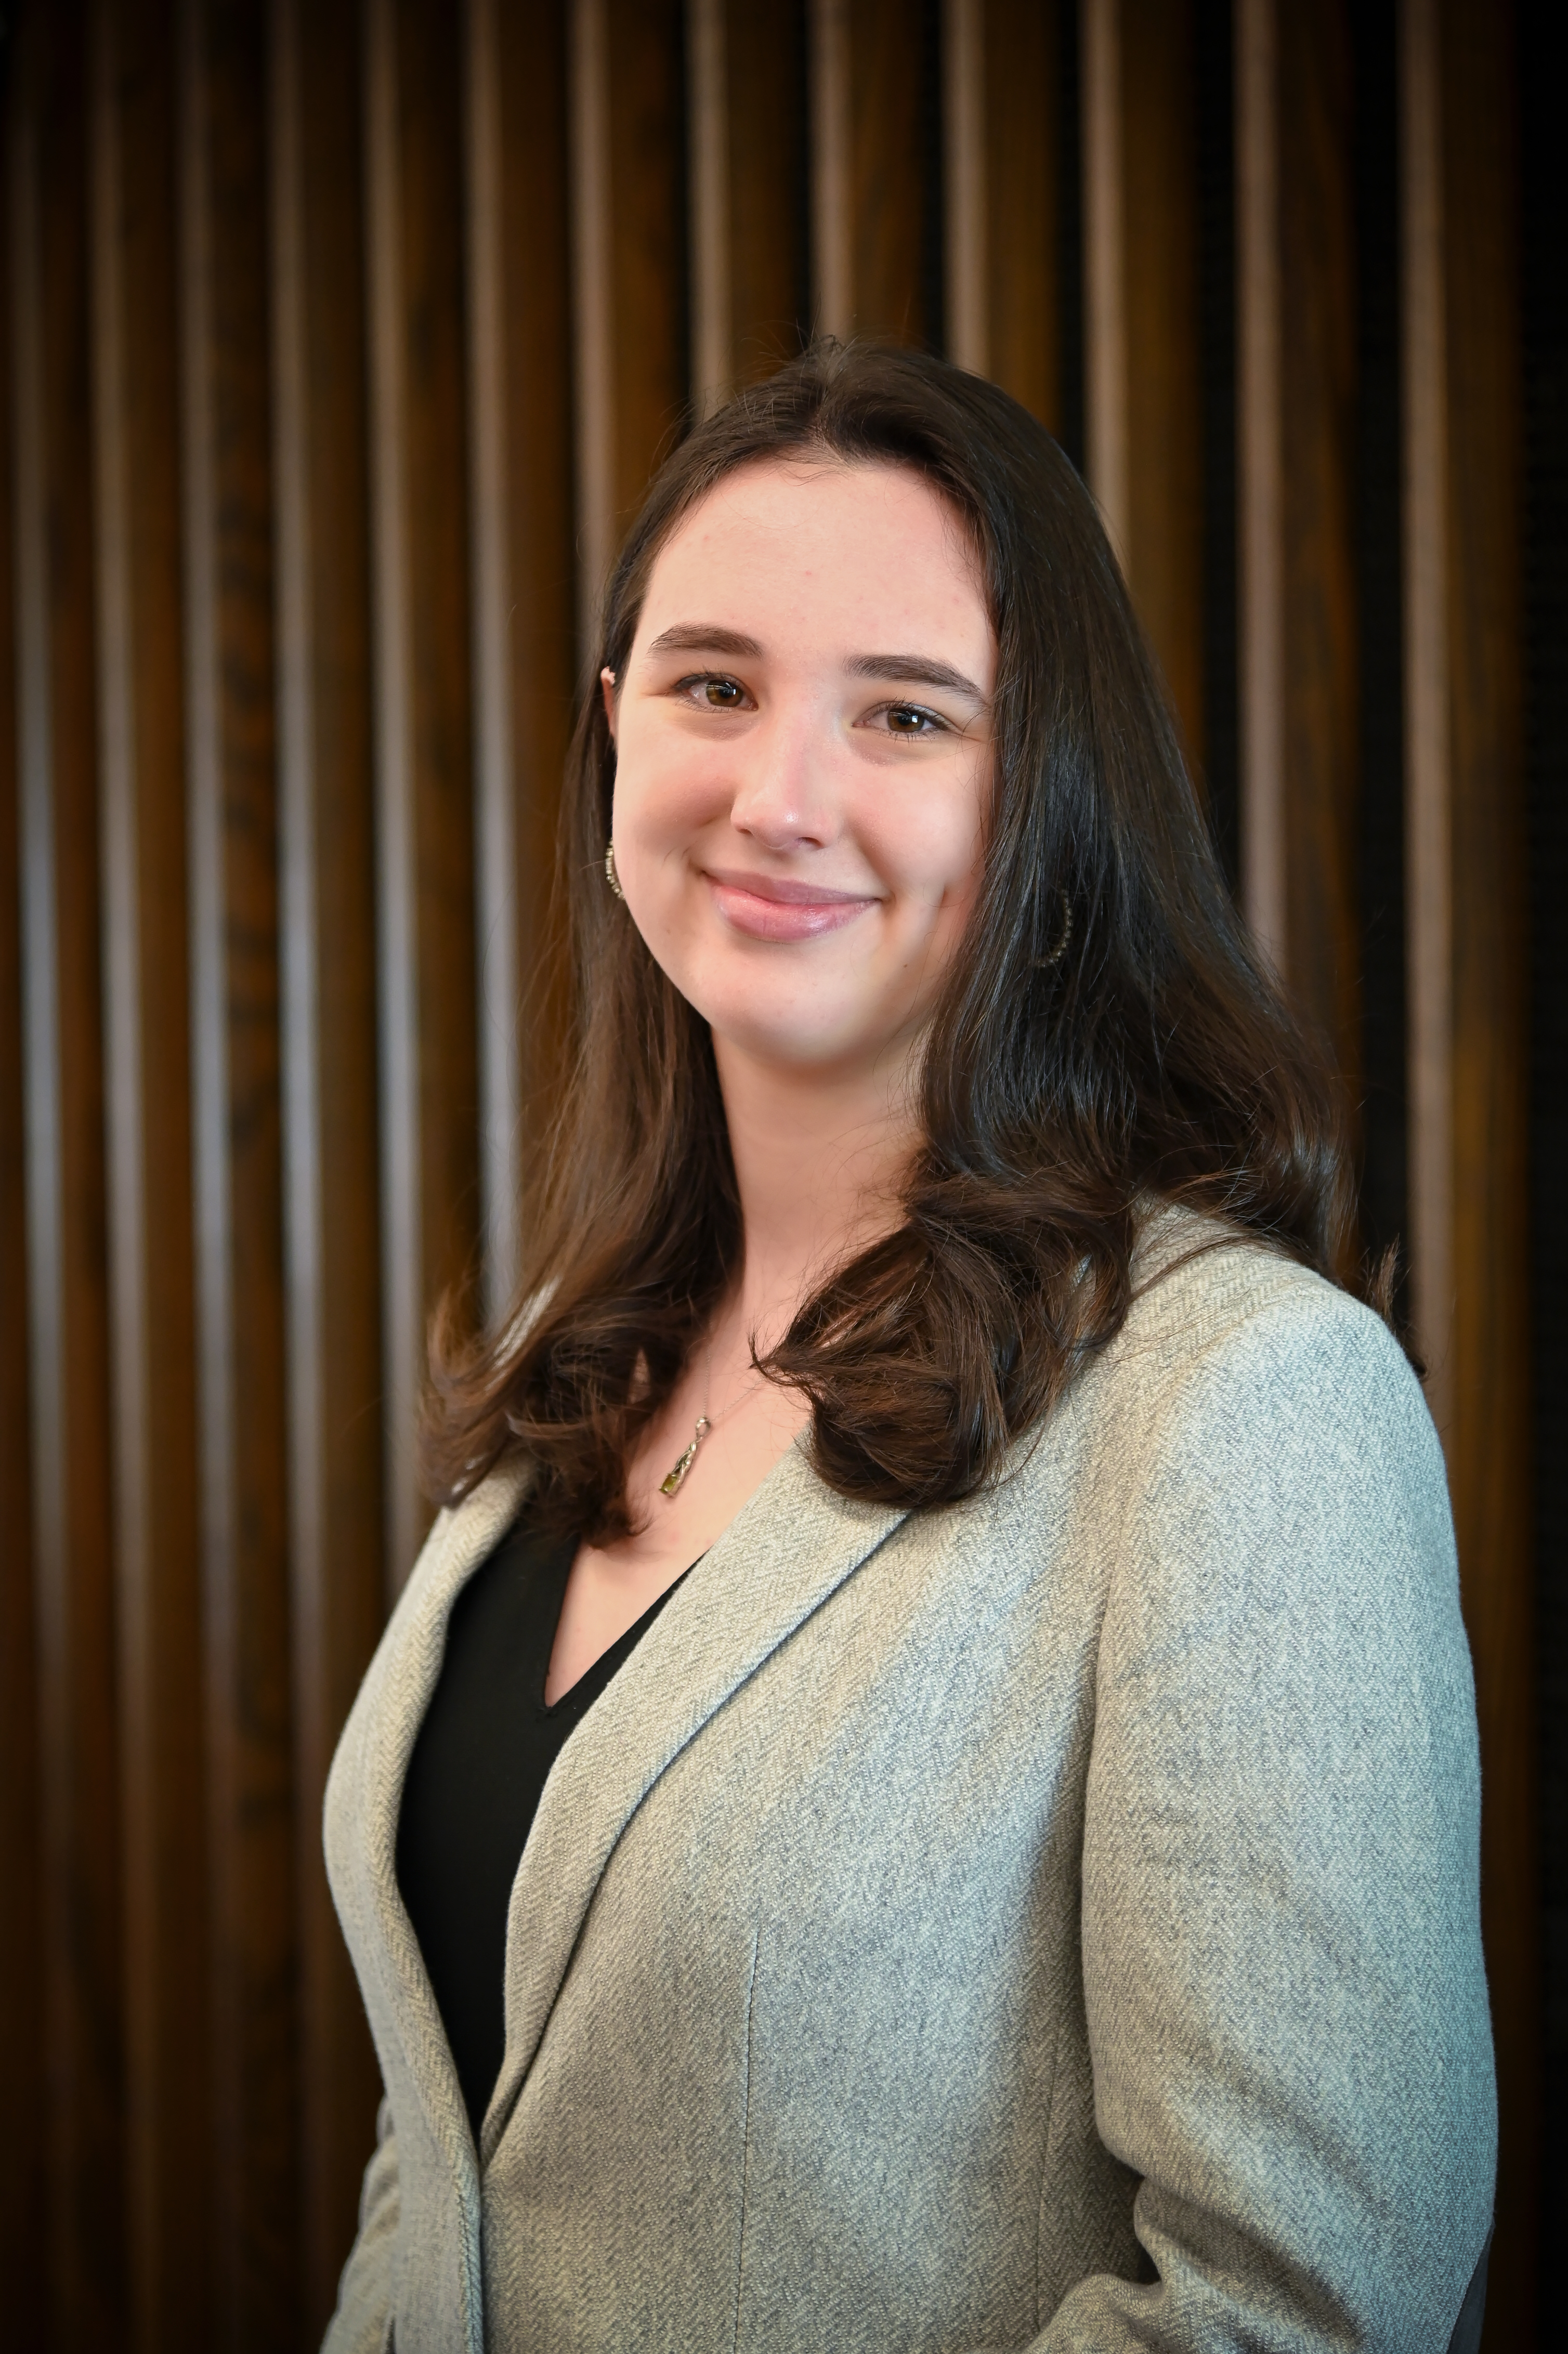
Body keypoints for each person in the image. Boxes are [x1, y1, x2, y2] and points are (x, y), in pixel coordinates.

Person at [321, 342, 1494, 2354]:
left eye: (906, 714)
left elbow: (1302, 2303)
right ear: (612, 739)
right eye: (711, 684)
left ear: (1039, 801)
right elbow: (453, 2142)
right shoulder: (572, 1366)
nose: (780, 796)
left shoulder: (1241, 1407)